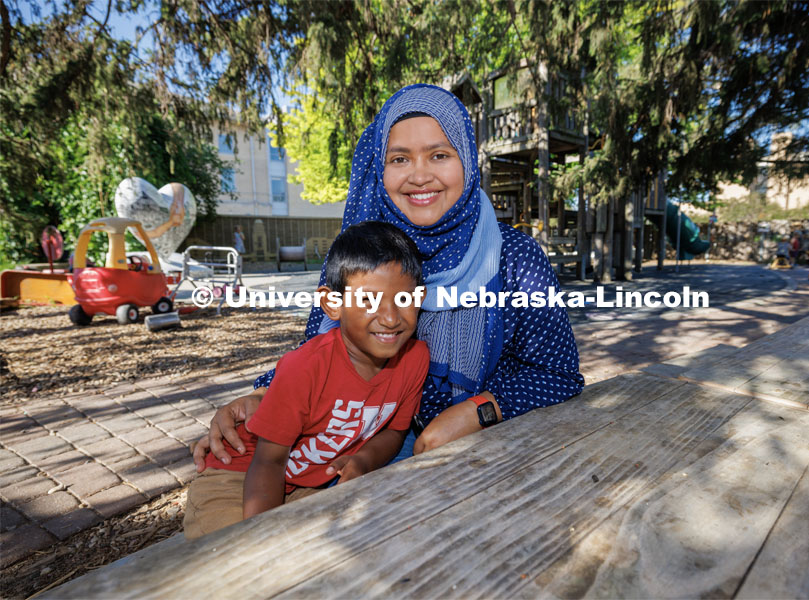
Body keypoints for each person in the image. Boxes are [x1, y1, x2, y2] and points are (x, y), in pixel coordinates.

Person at [192, 83, 584, 473]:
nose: (419, 175)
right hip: (372, 439)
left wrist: (478, 411)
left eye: (440, 155)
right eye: (399, 159)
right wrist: (263, 395)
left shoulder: (513, 257)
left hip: (491, 448)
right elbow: (321, 348)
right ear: (379, 168)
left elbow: (558, 374)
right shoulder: (362, 252)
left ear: (467, 159)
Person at [183, 221, 430, 538]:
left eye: (404, 300)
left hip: (308, 481)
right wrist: (262, 535)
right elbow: (268, 463)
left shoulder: (415, 358)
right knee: (237, 559)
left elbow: (396, 431)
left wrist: (363, 460)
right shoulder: (305, 367)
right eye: (368, 300)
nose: (391, 317)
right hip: (240, 476)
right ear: (332, 304)